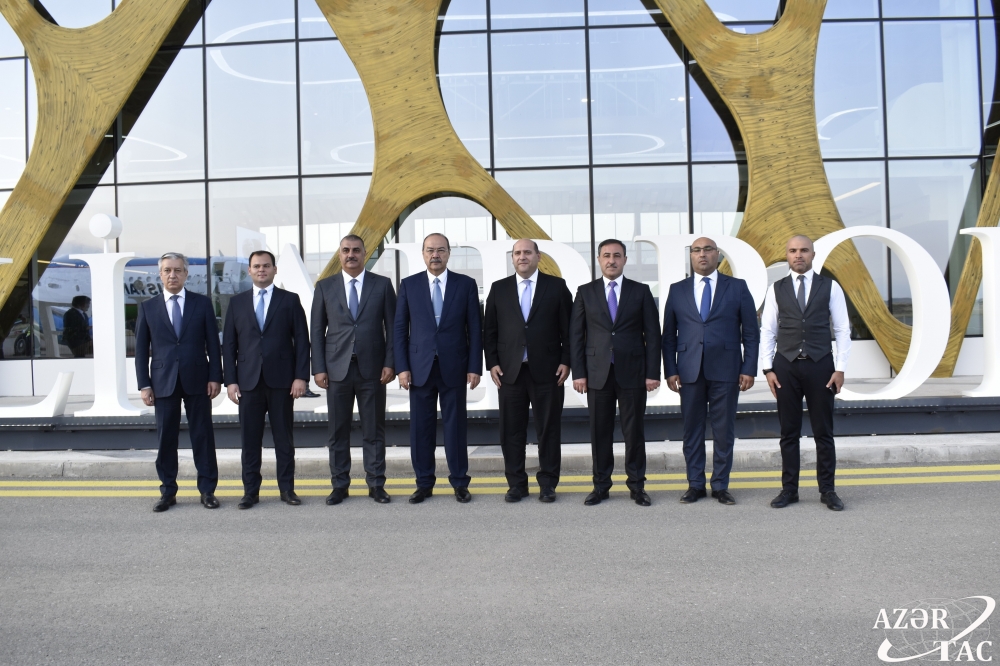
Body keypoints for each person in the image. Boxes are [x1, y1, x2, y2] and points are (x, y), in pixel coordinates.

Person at [662, 237, 759, 506]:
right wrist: (670, 370)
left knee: (724, 430)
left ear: (717, 254)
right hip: (689, 370)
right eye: (696, 250)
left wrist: (749, 368)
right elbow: (668, 335)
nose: (702, 254)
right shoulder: (677, 290)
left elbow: (751, 333)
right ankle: (695, 484)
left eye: (707, 250)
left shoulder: (737, 287)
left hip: (727, 369)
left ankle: (720, 485)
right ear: (691, 256)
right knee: (691, 430)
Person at [761, 235, 852, 511]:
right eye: (792, 251)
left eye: (803, 250)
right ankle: (789, 490)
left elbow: (842, 329)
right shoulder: (776, 288)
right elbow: (768, 330)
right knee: (788, 432)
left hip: (821, 365)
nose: (798, 255)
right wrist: (767, 368)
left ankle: (828, 490)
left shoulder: (830, 286)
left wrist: (840, 368)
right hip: (785, 367)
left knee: (823, 432)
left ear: (813, 254)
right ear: (787, 255)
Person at [571, 239, 661, 506]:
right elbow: (576, 335)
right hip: (597, 373)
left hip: (633, 372)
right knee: (600, 432)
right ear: (599, 259)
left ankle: (637, 486)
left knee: (634, 433)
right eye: (607, 255)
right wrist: (579, 373)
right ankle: (601, 486)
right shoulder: (585, 292)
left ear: (625, 260)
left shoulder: (641, 291)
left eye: (617, 255)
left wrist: (652, 372)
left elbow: (653, 335)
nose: (612, 260)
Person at [394, 233, 482, 504]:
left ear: (448, 254)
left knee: (455, 429)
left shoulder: (465, 285)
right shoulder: (409, 285)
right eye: (430, 250)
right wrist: (402, 368)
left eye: (441, 250)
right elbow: (400, 329)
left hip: (455, 367)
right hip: (419, 369)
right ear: (423, 254)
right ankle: (424, 483)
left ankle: (460, 482)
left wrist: (474, 366)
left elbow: (474, 329)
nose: (435, 255)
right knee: (421, 430)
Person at [483, 239, 573, 503]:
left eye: (527, 252)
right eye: (517, 253)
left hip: (549, 372)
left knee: (549, 430)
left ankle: (548, 484)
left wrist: (566, 361)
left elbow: (569, 330)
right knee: (511, 431)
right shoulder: (499, 288)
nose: (522, 257)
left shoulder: (556, 287)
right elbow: (489, 331)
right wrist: (492, 362)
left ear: (538, 256)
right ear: (512, 258)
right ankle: (516, 484)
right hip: (509, 372)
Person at [312, 235, 397, 505]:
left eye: (356, 250)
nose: (351, 255)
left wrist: (390, 363)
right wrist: (318, 368)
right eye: (346, 250)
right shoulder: (325, 287)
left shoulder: (382, 285)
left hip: (373, 370)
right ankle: (340, 485)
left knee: (374, 431)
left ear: (364, 253)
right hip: (337, 371)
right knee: (338, 431)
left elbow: (393, 329)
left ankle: (376, 484)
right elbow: (317, 331)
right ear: (340, 255)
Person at [135, 252, 222, 512]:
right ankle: (168, 492)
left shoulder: (202, 303)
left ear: (186, 274)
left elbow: (213, 344)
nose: (172, 275)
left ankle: (207, 491)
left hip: (198, 380)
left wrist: (215, 377)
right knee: (166, 439)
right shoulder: (148, 307)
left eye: (177, 270)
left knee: (202, 437)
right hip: (163, 382)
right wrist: (144, 384)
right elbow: (141, 351)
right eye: (167, 270)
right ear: (160, 274)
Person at [223, 250, 310, 510]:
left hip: (282, 381)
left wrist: (300, 377)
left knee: (284, 439)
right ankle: (250, 492)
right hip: (248, 382)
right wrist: (230, 380)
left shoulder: (290, 300)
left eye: (266, 265)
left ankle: (287, 489)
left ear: (274, 269)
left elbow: (302, 341)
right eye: (257, 266)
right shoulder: (236, 303)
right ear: (249, 270)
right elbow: (229, 345)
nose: (261, 269)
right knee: (250, 441)